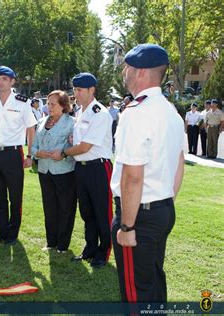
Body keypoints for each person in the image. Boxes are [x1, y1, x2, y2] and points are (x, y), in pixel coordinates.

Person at [111, 43, 184, 303]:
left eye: (126, 68)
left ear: (140, 71)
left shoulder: (136, 113)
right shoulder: (171, 112)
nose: (124, 73)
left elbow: (132, 176)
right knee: (152, 281)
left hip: (138, 216)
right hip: (162, 209)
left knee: (136, 294)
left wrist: (127, 225)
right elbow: (179, 165)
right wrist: (165, 202)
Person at [63, 72, 113, 269]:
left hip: (99, 167)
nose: (76, 93)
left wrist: (64, 152)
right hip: (81, 168)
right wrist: (71, 143)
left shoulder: (100, 113)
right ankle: (90, 247)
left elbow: (85, 147)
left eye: (80, 90)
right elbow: (79, 142)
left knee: (102, 212)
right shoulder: (80, 111)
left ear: (92, 90)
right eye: (75, 89)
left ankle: (103, 251)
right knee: (87, 212)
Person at [0, 66, 37, 245]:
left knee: (15, 196)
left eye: (5, 79)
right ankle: (0, 231)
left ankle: (13, 233)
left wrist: (30, 155)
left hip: (14, 154)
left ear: (12, 81)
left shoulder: (22, 102)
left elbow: (30, 128)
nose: (1, 82)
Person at [31, 90, 76, 253]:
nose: (48, 107)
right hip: (44, 170)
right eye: (48, 103)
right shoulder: (41, 121)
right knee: (49, 207)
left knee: (65, 208)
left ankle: (63, 244)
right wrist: (37, 153)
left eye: (53, 104)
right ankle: (51, 242)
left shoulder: (72, 122)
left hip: (65, 171)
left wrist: (63, 154)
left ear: (64, 106)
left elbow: (74, 147)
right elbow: (34, 145)